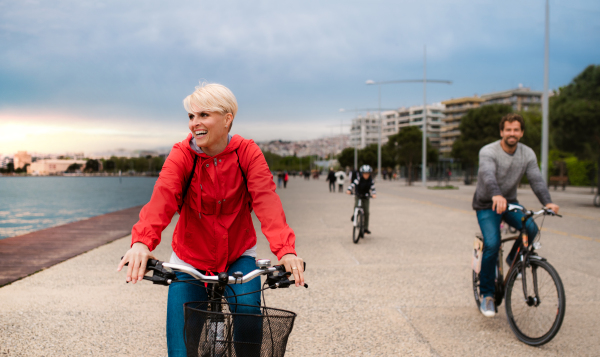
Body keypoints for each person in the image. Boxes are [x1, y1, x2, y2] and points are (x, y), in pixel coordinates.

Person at [117, 82, 305, 357]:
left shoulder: (247, 153)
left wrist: (286, 250)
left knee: (248, 312)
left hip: (238, 254)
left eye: (204, 115)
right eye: (191, 117)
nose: (195, 123)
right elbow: (163, 197)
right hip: (189, 258)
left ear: (228, 119)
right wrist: (141, 243)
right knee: (181, 348)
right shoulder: (182, 155)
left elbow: (267, 202)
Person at [473, 113, 559, 318]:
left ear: (521, 132)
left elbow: (536, 180)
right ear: (502, 132)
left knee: (531, 229)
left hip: (509, 203)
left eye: (516, 130)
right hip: (487, 204)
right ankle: (487, 295)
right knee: (492, 244)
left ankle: (513, 262)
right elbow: (487, 175)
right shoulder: (488, 151)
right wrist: (496, 195)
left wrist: (547, 202)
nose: (512, 133)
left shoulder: (527, 154)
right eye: (508, 130)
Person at [346, 165, 376, 234]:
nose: (366, 175)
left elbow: (373, 189)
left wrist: (374, 194)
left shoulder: (371, 180)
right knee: (356, 205)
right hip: (358, 195)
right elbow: (352, 184)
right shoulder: (358, 179)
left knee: (367, 212)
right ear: (362, 173)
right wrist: (349, 190)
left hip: (366, 196)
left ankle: (365, 228)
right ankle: (355, 215)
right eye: (364, 173)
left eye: (367, 173)